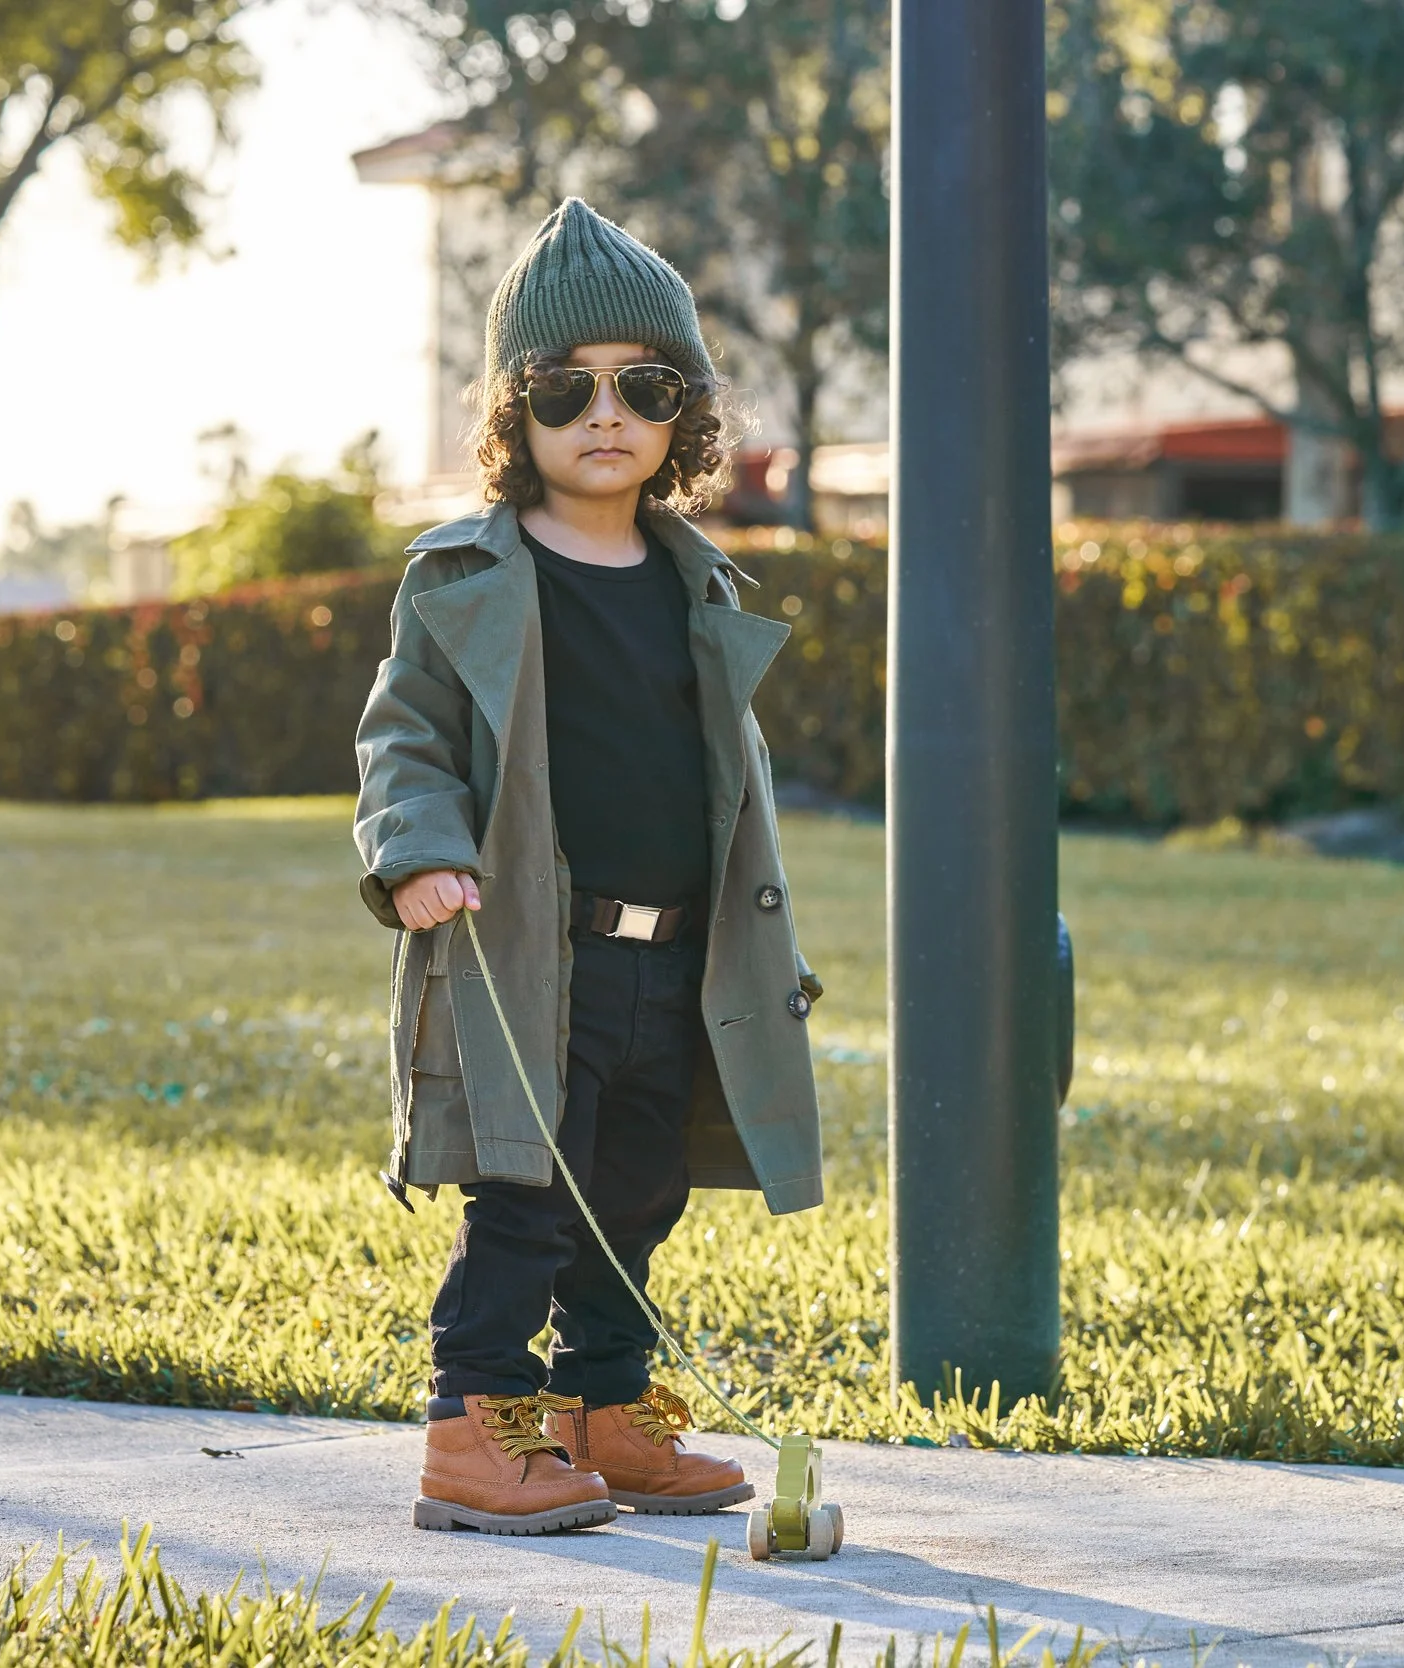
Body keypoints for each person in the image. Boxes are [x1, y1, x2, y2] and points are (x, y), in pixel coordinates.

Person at [352, 198, 827, 1535]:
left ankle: (607, 1412)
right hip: (526, 954)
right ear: (519, 412)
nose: (604, 413)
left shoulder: (700, 583)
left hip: (669, 950)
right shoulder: (465, 576)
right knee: (526, 1194)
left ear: (684, 413)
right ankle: (477, 1431)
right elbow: (404, 740)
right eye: (566, 388)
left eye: (644, 385)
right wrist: (420, 855)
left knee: (639, 1189)